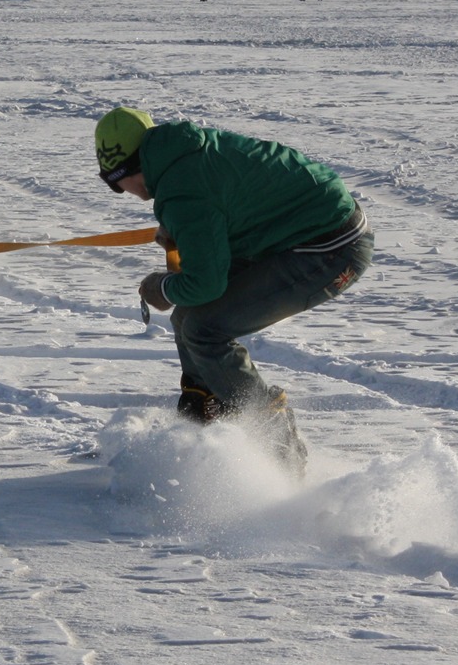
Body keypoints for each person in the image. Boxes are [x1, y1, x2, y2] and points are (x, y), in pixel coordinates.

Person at [94, 107, 372, 474]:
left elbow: (205, 282)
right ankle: (205, 416)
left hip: (331, 248)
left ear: (125, 171)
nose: (124, 193)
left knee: (205, 329)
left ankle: (276, 442)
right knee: (188, 317)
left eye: (117, 184)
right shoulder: (180, 156)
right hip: (300, 233)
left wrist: (162, 286)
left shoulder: (181, 191)